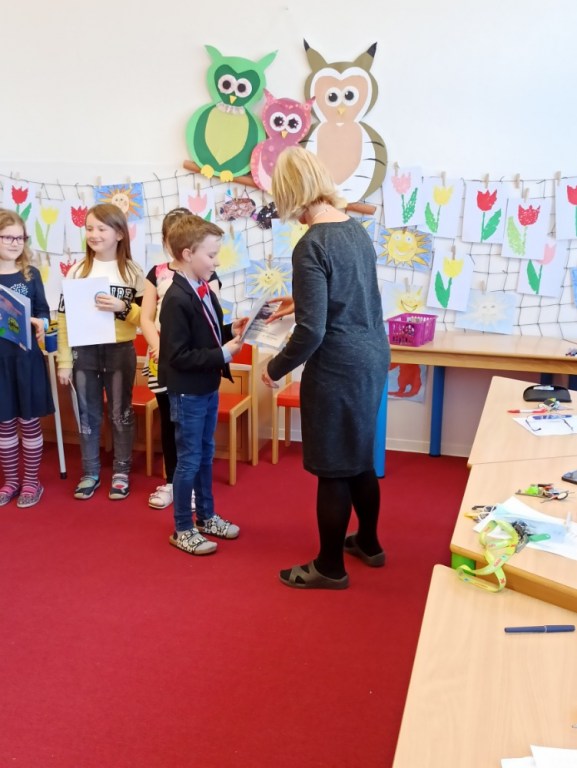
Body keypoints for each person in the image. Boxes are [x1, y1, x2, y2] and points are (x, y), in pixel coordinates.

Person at [261, 146, 390, 590]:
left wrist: (276, 366)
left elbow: (312, 331)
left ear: (290, 193)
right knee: (359, 457)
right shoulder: (355, 229)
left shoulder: (311, 244)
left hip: (338, 365)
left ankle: (329, 567)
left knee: (334, 465)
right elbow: (348, 294)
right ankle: (369, 543)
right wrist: (298, 299)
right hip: (371, 355)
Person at [158, 215, 247, 555]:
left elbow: (207, 333)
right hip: (187, 391)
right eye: (211, 255)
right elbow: (178, 355)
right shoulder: (176, 298)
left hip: (207, 386)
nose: (217, 261)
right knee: (189, 459)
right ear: (187, 254)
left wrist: (229, 331)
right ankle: (182, 527)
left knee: (205, 454)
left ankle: (206, 517)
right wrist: (224, 353)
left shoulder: (203, 287)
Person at [57, 203, 145, 501]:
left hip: (120, 352)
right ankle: (90, 472)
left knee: (120, 413)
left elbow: (145, 319)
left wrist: (123, 307)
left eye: (101, 228)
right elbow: (64, 319)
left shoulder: (132, 272)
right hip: (85, 352)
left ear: (119, 234)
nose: (93, 234)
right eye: (89, 228)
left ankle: (121, 471)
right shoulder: (77, 270)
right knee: (87, 414)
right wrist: (64, 361)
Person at [140, 208, 221, 510]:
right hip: (161, 360)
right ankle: (172, 481)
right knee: (169, 421)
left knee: (191, 432)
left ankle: (192, 487)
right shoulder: (157, 273)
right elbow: (146, 317)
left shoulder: (205, 273)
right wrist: (160, 348)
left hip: (190, 363)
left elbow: (209, 322)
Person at [0, 209, 54, 508]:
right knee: (4, 424)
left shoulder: (30, 275)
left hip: (25, 360)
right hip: (1, 363)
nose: (15, 243)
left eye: (20, 237)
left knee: (29, 422)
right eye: (8, 237)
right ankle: (11, 481)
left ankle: (32, 481)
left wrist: (39, 323)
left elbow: (44, 312)